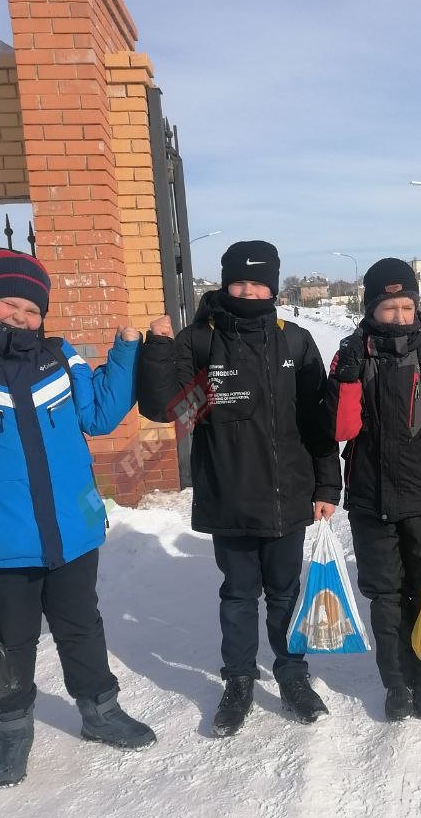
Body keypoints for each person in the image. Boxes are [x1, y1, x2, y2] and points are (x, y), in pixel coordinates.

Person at [0, 249, 153, 788]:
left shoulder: (57, 355)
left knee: (81, 623)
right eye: (11, 304)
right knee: (12, 635)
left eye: (32, 310)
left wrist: (124, 352)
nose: (21, 318)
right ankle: (11, 725)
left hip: (72, 528)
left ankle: (99, 710)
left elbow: (98, 415)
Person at [138, 241, 341, 732]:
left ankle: (293, 673)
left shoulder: (295, 341)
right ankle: (239, 679)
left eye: (259, 282)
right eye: (240, 282)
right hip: (229, 496)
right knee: (238, 594)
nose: (249, 291)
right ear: (226, 283)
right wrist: (160, 351)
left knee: (285, 594)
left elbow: (318, 422)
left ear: (273, 285)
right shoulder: (201, 342)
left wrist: (327, 486)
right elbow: (170, 410)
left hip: (287, 496)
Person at [327, 258, 421, 722]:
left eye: (406, 306)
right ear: (372, 308)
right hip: (370, 503)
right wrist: (347, 379)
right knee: (385, 597)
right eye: (389, 307)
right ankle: (396, 682)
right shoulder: (351, 356)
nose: (398, 316)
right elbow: (340, 429)